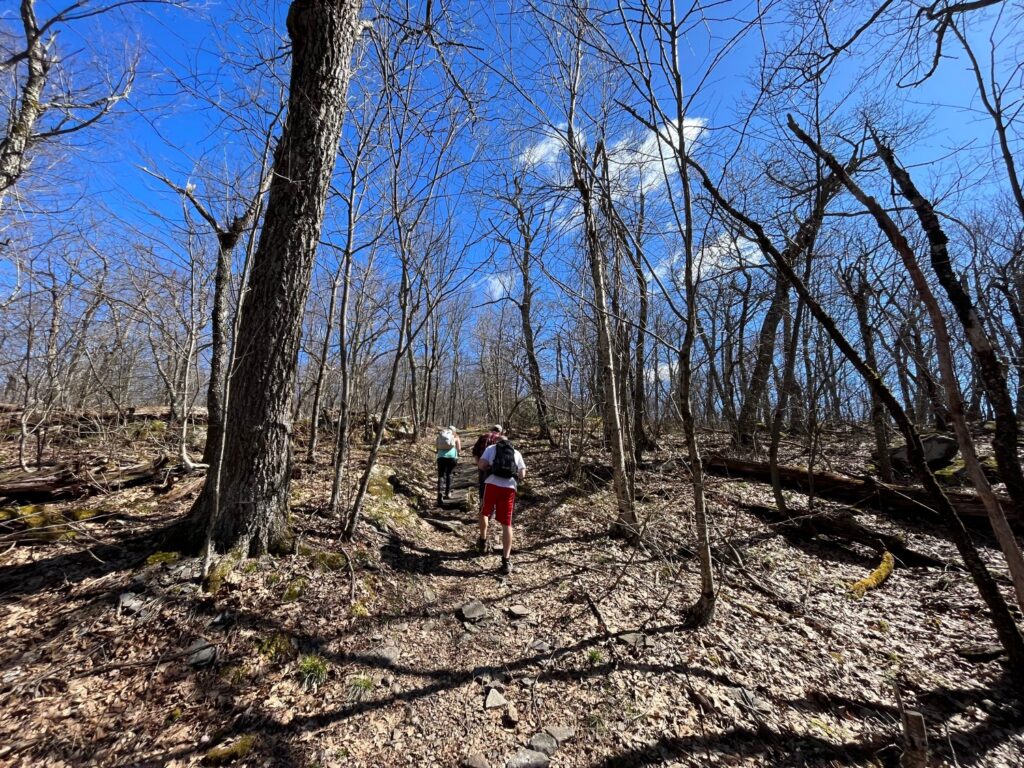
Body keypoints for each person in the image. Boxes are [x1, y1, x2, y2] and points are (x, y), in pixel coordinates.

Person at [476, 437, 526, 575]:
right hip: (509, 488)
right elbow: (522, 474)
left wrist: (490, 467)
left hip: (492, 484)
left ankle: (483, 540)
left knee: (484, 512)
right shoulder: (516, 453)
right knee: (507, 523)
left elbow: (481, 465)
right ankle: (506, 560)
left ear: (497, 442)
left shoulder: (491, 449)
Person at [471, 424, 503, 502]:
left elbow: (475, 451)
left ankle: (482, 503)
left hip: (482, 465)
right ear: (500, 432)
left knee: (482, 484)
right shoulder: (499, 439)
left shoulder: (483, 436)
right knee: (494, 485)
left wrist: (479, 463)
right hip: (494, 467)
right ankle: (492, 503)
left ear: (492, 429)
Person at [436, 425, 461, 506]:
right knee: (449, 474)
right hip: (452, 457)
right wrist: (458, 453)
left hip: (440, 457)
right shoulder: (455, 437)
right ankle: (447, 493)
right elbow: (459, 449)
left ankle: (440, 493)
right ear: (454, 431)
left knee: (441, 475)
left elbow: (437, 447)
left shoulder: (440, 436)